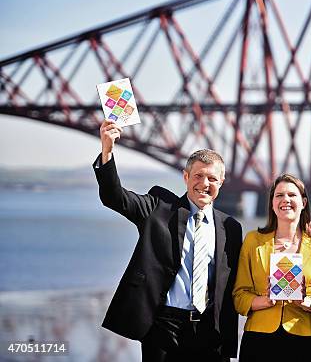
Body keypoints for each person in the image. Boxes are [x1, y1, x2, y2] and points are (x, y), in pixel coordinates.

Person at [93, 119, 242, 362]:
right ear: (185, 177)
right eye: (198, 176)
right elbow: (115, 197)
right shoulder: (159, 207)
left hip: (210, 332)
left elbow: (236, 279)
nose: (205, 184)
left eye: (212, 179)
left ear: (221, 183)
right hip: (163, 327)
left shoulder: (231, 227)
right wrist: (107, 150)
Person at [233, 174, 311, 362]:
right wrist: (265, 300)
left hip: (304, 342)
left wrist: (306, 303)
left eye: (292, 195)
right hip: (258, 340)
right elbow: (239, 297)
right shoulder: (252, 241)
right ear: (272, 203)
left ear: (304, 202)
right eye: (279, 195)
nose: (285, 200)